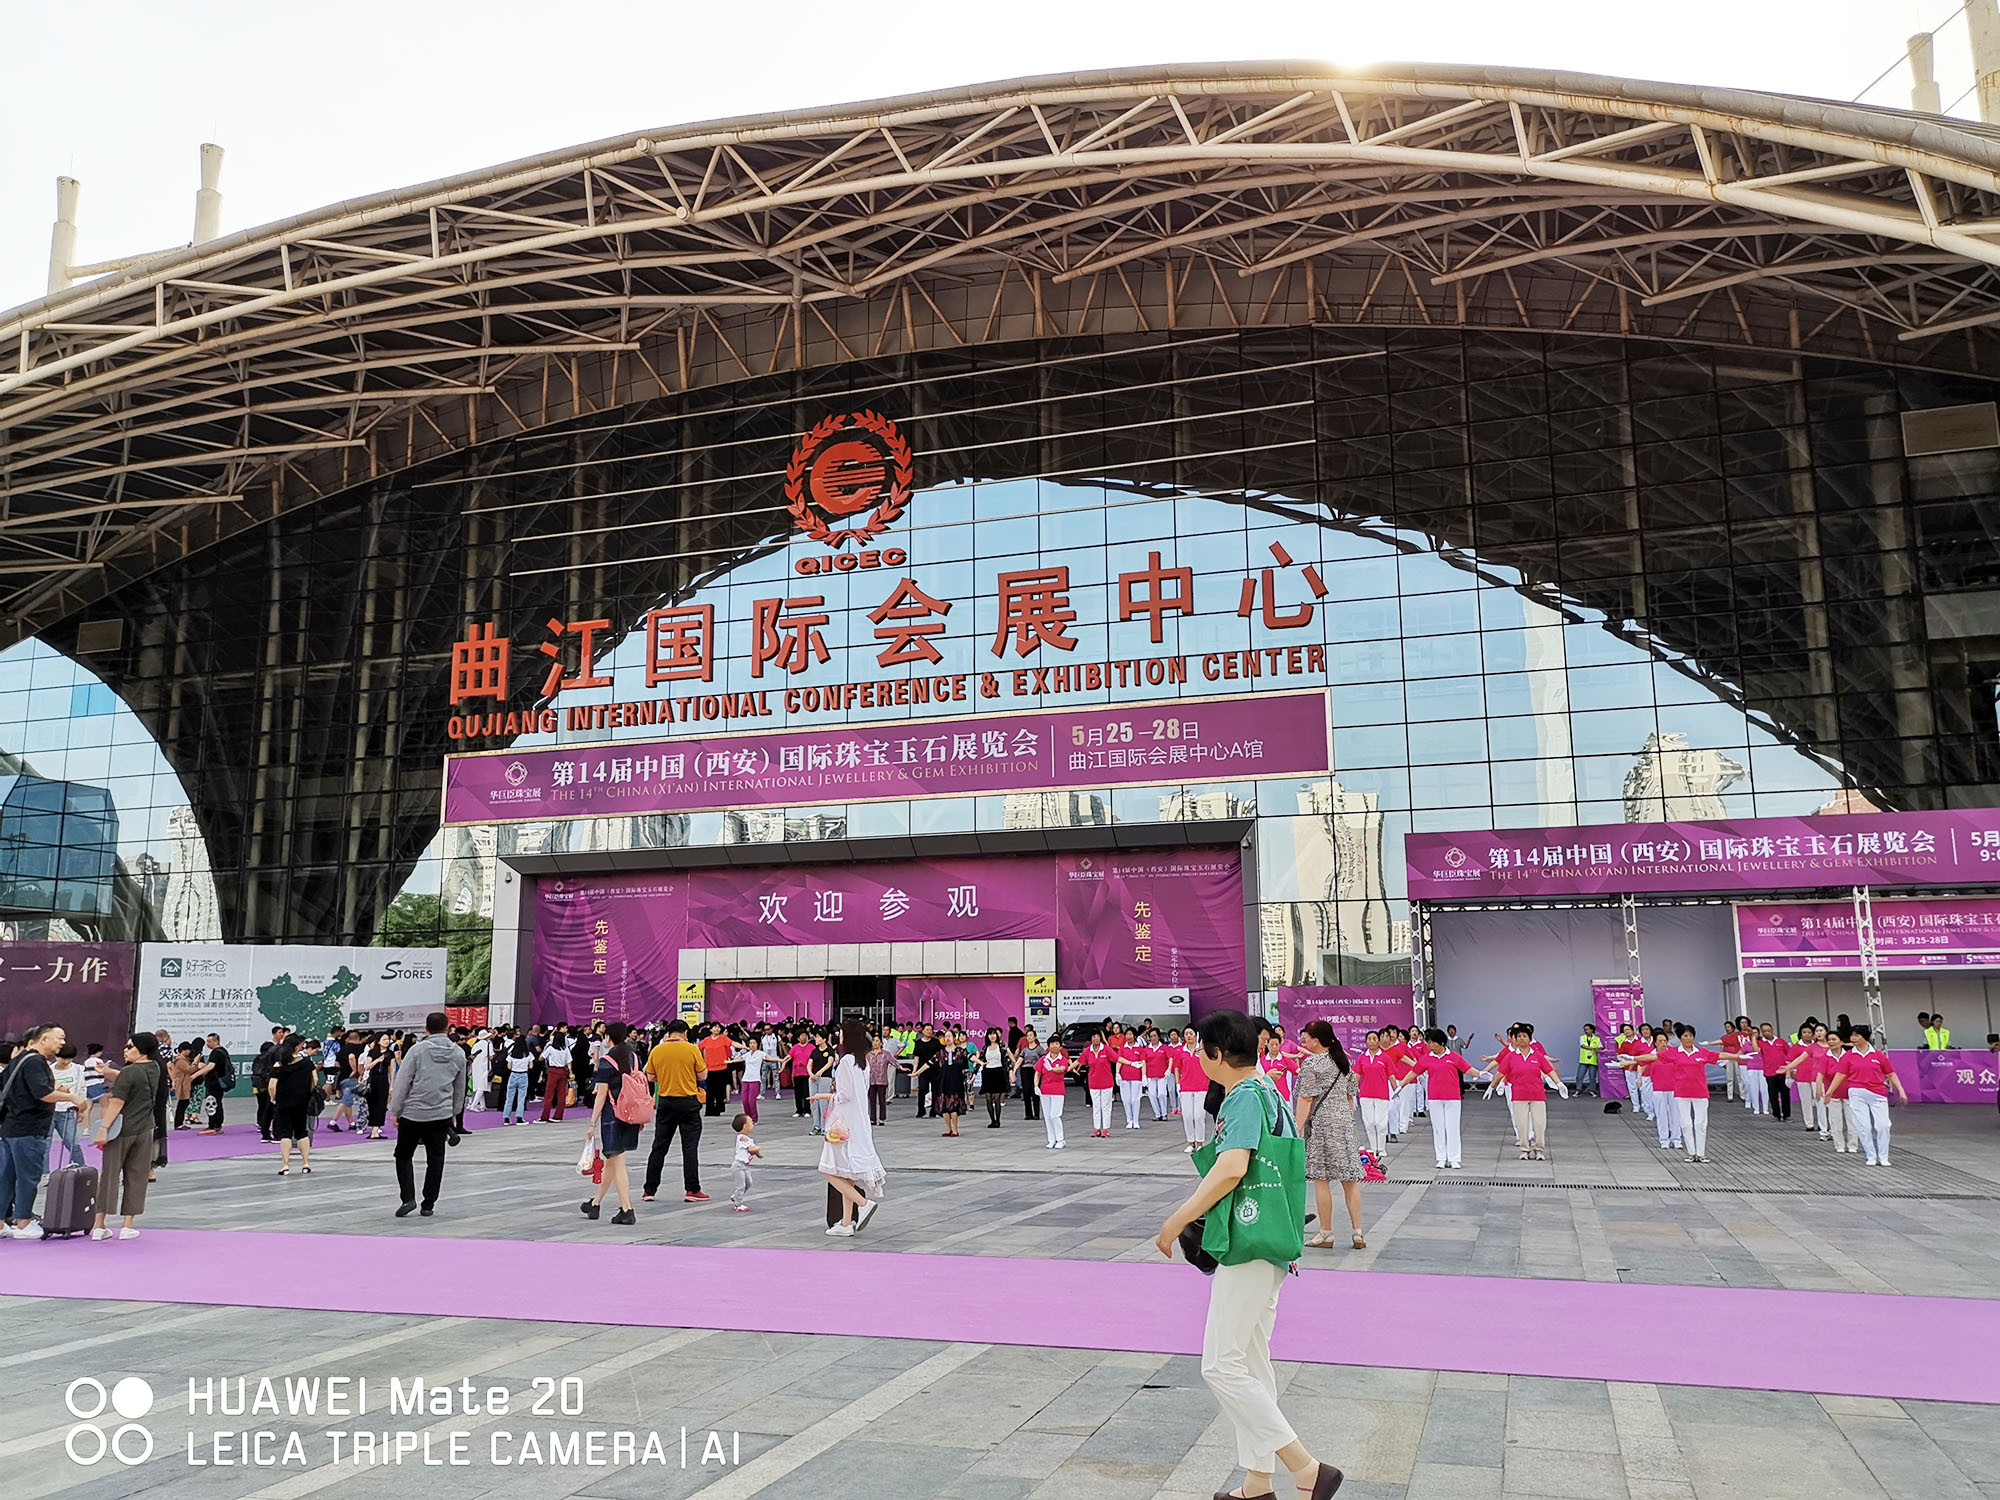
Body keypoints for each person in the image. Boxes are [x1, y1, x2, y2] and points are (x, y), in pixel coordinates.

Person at [1154, 1010, 1341, 1500]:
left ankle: (1307, 1469)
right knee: (1252, 1363)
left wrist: (1176, 1220)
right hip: (1272, 1240)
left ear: (1217, 1054)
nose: (1198, 1056)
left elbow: (1232, 1167)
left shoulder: (1240, 1097)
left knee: (1220, 1365)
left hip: (1248, 1242)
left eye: (1201, 1048)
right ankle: (1257, 1482)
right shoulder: (1269, 1089)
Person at [2, 1026, 83, 1238]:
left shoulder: (19, 1060)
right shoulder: (36, 1062)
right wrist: (71, 1097)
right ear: (44, 1039)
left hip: (10, 1127)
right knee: (28, 1177)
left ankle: (1, 1224)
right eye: (59, 1038)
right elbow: (42, 1093)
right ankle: (23, 1223)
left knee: (6, 1177)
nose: (62, 1042)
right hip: (29, 1129)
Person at [1294, 1020, 1367, 1249]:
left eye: (1306, 1037)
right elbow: (1351, 1094)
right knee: (1349, 1181)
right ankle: (1357, 1232)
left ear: (1316, 1040)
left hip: (1322, 1125)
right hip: (1344, 1124)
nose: (1304, 1040)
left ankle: (1326, 1233)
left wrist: (1297, 1128)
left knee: (1321, 1179)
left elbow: (1305, 1098)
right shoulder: (1342, 1061)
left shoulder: (1312, 1064)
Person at [388, 1013, 468, 1219]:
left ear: (426, 1028)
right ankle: (429, 1203)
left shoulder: (417, 1050)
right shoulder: (458, 1053)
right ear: (447, 1028)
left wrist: (395, 1110)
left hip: (412, 1113)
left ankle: (408, 1198)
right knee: (436, 1158)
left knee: (403, 1155)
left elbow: (403, 1082)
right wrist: (454, 1112)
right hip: (440, 1113)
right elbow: (460, 1087)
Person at [87, 1033, 161, 1241]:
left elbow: (117, 1102)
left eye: (130, 1046)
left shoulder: (130, 1071)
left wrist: (103, 1128)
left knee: (110, 1176)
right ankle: (128, 1225)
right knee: (137, 1176)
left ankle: (100, 1225)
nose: (126, 1050)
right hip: (145, 1128)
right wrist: (109, 1072)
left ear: (142, 1050)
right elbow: (131, 1078)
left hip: (120, 1130)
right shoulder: (154, 1068)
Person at [820, 1020, 886, 1236]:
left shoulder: (846, 1061)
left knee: (829, 1170)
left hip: (844, 1124)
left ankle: (863, 1204)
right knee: (845, 1173)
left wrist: (826, 1096)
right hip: (858, 1121)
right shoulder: (862, 1062)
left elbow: (844, 1095)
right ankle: (846, 1222)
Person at [581, 1021, 643, 1225]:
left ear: (608, 1038)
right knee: (612, 1161)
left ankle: (627, 1209)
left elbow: (601, 1095)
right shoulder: (635, 1058)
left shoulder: (607, 1061)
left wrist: (592, 1123)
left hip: (612, 1117)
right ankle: (595, 1203)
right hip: (631, 1115)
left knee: (618, 1161)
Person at [642, 1019, 709, 1204]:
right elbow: (703, 1075)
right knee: (690, 1147)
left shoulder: (657, 1050)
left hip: (665, 1103)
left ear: (668, 1033)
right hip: (688, 1103)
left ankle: (649, 1190)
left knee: (659, 1147)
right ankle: (692, 1189)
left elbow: (650, 1076)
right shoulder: (692, 1049)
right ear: (685, 1033)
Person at [1820, 1025, 1908, 1167]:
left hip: (1878, 1094)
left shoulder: (1878, 1055)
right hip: (1857, 1093)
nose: (1853, 1038)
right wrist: (1829, 1092)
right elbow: (1840, 1075)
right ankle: (1871, 1155)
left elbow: (1890, 1074)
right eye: (1852, 1035)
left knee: (1883, 1125)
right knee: (1864, 1126)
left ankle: (1883, 1156)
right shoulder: (1848, 1056)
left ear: (1865, 1037)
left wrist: (1901, 1090)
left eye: (1856, 1035)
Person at [1409, 1027, 1478, 1170]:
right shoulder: (1427, 1058)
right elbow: (1414, 1072)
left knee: (1452, 1128)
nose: (1429, 1045)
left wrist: (1482, 1074)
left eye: (1432, 1042)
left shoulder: (1454, 1057)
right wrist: (1400, 1086)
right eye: (1428, 1042)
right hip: (1434, 1098)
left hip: (1453, 1098)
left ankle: (1454, 1158)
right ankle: (1441, 1158)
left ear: (1441, 1043)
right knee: (1438, 1128)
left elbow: (1468, 1069)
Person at [1494, 1031, 1565, 1160]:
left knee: (1539, 1123)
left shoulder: (1537, 1055)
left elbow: (1549, 1070)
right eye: (1519, 1037)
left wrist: (1559, 1083)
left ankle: (1539, 1149)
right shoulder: (1511, 1056)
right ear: (1515, 1039)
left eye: (1524, 1036)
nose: (1521, 1039)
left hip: (1537, 1095)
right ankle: (1524, 1149)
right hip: (1519, 1095)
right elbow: (1501, 1072)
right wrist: (1492, 1086)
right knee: (1522, 1124)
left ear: (1529, 1039)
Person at [267, 1035, 321, 1176]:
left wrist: (273, 1098)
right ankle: (306, 1163)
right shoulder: (307, 1063)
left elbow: (272, 1086)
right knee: (301, 1132)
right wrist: (307, 1092)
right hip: (301, 1101)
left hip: (283, 1102)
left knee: (285, 1133)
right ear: (297, 1047)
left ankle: (285, 1165)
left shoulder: (279, 1065)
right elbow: (315, 1080)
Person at [1353, 1032, 1394, 1157]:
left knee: (1380, 1123)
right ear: (1366, 1042)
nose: (1372, 1041)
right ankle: (1373, 1148)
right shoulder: (1362, 1058)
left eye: (1374, 1039)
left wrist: (1396, 1090)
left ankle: (1381, 1148)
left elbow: (1391, 1076)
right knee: (1369, 1122)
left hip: (1382, 1094)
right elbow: (1357, 1075)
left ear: (1378, 1041)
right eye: (1369, 1039)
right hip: (1365, 1094)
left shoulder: (1385, 1058)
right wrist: (1351, 1091)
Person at [48, 1041, 86, 1169]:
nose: (66, 1061)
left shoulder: (78, 1070)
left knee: (73, 1142)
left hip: (69, 1111)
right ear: (56, 1056)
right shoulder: (49, 1070)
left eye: (69, 1058)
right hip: (50, 1111)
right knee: (45, 1144)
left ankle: (81, 1168)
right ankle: (44, 1173)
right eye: (63, 1058)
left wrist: (81, 1110)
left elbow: (82, 1090)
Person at [193, 1032, 232, 1134]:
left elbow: (211, 1067)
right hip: (217, 1082)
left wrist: (195, 1075)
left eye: (209, 1041)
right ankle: (216, 1125)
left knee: (212, 1103)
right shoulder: (223, 1051)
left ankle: (214, 1125)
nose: (207, 1044)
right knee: (217, 1103)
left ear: (216, 1041)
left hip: (214, 1083)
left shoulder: (216, 1053)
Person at [1035, 1035, 1070, 1148]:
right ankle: (1051, 1139)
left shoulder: (1062, 1059)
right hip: (1045, 1090)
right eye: (1052, 1044)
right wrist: (1036, 1086)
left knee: (1055, 1115)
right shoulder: (1044, 1059)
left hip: (1058, 1091)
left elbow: (1062, 1069)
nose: (1054, 1046)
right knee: (1047, 1116)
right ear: (1049, 1046)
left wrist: (1052, 1069)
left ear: (1060, 1047)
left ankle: (1060, 1139)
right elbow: (1037, 1073)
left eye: (1057, 1044)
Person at [1080, 1029, 1115, 1137]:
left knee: (1106, 1106)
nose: (1096, 1038)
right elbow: (1079, 1061)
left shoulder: (1106, 1049)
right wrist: (1067, 1069)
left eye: (1097, 1036)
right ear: (1090, 1039)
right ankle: (1097, 1129)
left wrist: (1131, 1063)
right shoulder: (1088, 1051)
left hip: (1106, 1083)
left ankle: (1106, 1129)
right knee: (1096, 1106)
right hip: (1094, 1083)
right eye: (1094, 1037)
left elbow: (1117, 1058)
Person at [978, 1027, 1013, 1129]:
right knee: (988, 1097)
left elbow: (1007, 1061)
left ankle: (997, 1120)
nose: (992, 1036)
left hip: (999, 1072)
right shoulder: (985, 1048)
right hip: (988, 1073)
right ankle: (992, 1120)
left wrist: (1011, 1072)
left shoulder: (1001, 1047)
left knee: (997, 1098)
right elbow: (981, 1060)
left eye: (994, 1034)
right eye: (990, 1034)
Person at [728, 1112, 762, 1212]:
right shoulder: (742, 1138)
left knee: (748, 1183)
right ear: (745, 1126)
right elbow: (751, 1149)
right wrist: (758, 1148)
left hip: (745, 1166)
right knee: (741, 1186)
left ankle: (736, 1196)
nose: (752, 1125)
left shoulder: (748, 1139)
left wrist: (758, 1154)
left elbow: (752, 1151)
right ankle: (738, 1204)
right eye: (751, 1122)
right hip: (738, 1166)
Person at [538, 1028, 572, 1123]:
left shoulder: (550, 1049)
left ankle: (545, 1116)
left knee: (549, 1094)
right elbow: (569, 1062)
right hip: (563, 1071)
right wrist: (571, 1072)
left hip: (553, 1071)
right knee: (561, 1094)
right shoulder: (565, 1050)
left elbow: (541, 1058)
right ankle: (558, 1116)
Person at [1015, 1027, 1045, 1123]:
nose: (1029, 1037)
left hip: (1035, 1071)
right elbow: (1020, 1060)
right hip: (1025, 1070)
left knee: (1035, 1091)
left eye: (1031, 1035)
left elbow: (1043, 1061)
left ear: (1035, 1037)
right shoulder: (1024, 1050)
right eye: (1027, 1036)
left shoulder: (1040, 1049)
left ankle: (1036, 1114)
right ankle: (1028, 1114)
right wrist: (1014, 1070)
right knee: (1026, 1092)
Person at [864, 1034, 893, 1126]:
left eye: (877, 1041)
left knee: (882, 1101)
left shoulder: (885, 1054)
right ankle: (872, 1119)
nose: (875, 1043)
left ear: (881, 1043)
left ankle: (882, 1119)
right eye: (873, 1041)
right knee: (872, 1101)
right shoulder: (869, 1055)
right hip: (871, 1080)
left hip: (881, 1080)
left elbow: (893, 1061)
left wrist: (901, 1067)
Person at [1573, 1023, 1600, 1097]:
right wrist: (1594, 1048)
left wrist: (1599, 1049)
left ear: (1592, 1030)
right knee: (1579, 1076)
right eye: (1585, 1029)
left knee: (1592, 1077)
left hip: (1593, 1060)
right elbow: (1583, 1046)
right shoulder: (1582, 1037)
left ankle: (1592, 1090)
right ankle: (1578, 1090)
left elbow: (1600, 1047)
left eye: (1587, 1029)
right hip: (1583, 1060)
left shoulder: (1597, 1039)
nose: (1586, 1031)